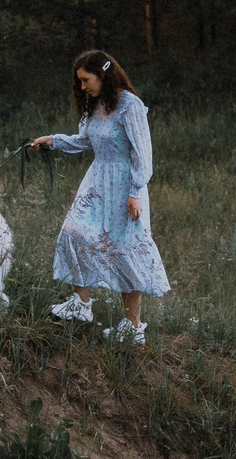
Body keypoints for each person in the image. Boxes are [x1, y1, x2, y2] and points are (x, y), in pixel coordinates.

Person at [27, 50, 170, 344]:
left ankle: (132, 328)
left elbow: (143, 155)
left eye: (85, 80)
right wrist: (53, 141)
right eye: (79, 81)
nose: (82, 87)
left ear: (103, 75)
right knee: (73, 231)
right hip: (96, 182)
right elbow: (83, 141)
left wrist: (135, 193)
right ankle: (81, 305)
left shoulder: (129, 105)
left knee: (124, 250)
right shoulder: (94, 106)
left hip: (126, 185)